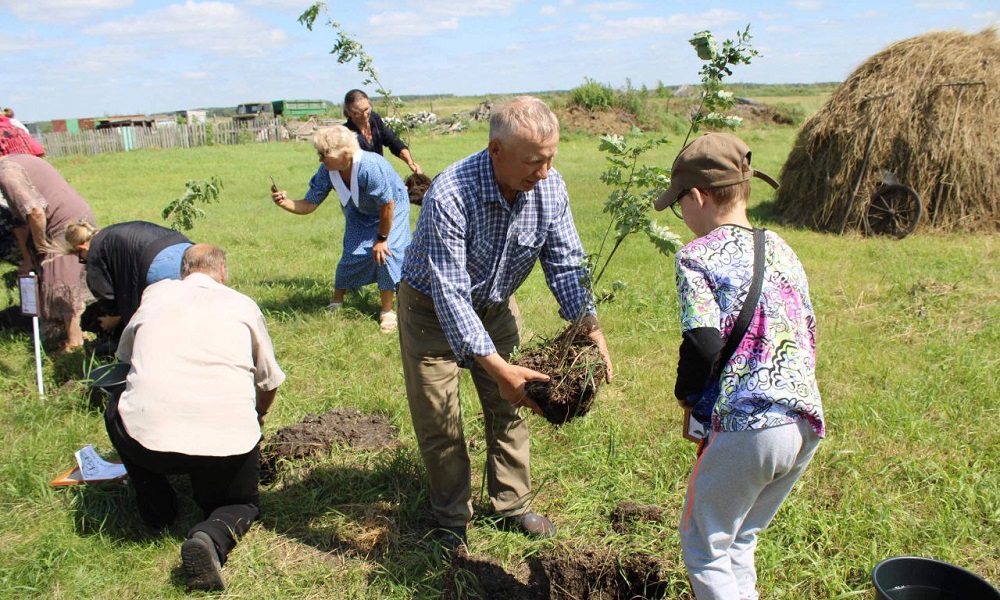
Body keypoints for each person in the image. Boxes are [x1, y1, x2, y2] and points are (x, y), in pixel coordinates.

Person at [397, 96, 613, 550]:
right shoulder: (451, 193)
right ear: (496, 150)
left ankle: (512, 503)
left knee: (511, 405)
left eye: (551, 157)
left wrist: (587, 322)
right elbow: (451, 295)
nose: (545, 171)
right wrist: (495, 366)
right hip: (429, 311)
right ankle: (451, 518)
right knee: (441, 419)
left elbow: (566, 262)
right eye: (534, 161)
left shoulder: (550, 188)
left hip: (495, 307)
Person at [654, 132, 825, 600]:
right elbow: (808, 333)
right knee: (739, 540)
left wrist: (686, 395)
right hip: (805, 422)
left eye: (678, 205)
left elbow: (705, 343)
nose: (682, 215)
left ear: (697, 196)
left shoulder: (696, 256)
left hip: (750, 425)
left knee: (705, 548)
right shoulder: (783, 249)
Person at [104, 244, 285, 592]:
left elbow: (125, 359)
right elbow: (269, 381)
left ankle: (157, 509)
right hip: (227, 441)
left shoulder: (154, 295)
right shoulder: (242, 304)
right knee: (240, 503)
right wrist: (258, 416)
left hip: (148, 439)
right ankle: (211, 534)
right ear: (223, 273)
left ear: (183, 271)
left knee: (117, 404)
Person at [272, 125, 411, 333]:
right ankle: (336, 301)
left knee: (385, 253)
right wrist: (285, 203)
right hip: (359, 211)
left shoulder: (370, 167)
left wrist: (381, 238)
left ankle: (387, 310)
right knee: (352, 253)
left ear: (345, 154)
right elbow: (310, 204)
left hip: (392, 208)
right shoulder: (327, 171)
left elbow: (387, 205)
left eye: (324, 154)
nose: (320, 159)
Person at [0, 154, 94, 350]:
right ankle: (67, 334)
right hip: (74, 217)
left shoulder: (6, 173)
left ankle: (74, 345)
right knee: (59, 281)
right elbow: (23, 220)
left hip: (65, 224)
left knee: (60, 286)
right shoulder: (17, 160)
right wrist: (29, 257)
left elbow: (35, 211)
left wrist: (41, 244)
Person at [64, 220, 192, 339]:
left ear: (82, 248)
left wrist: (110, 321)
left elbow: (108, 299)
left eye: (81, 258)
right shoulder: (112, 232)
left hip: (159, 262)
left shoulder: (95, 251)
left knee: (161, 323)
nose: (84, 261)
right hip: (188, 248)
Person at [342, 89, 422, 175]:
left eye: (366, 109)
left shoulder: (375, 119)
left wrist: (410, 162)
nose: (365, 115)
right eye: (358, 113)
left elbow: (393, 142)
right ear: (349, 113)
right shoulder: (346, 134)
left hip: (381, 174)